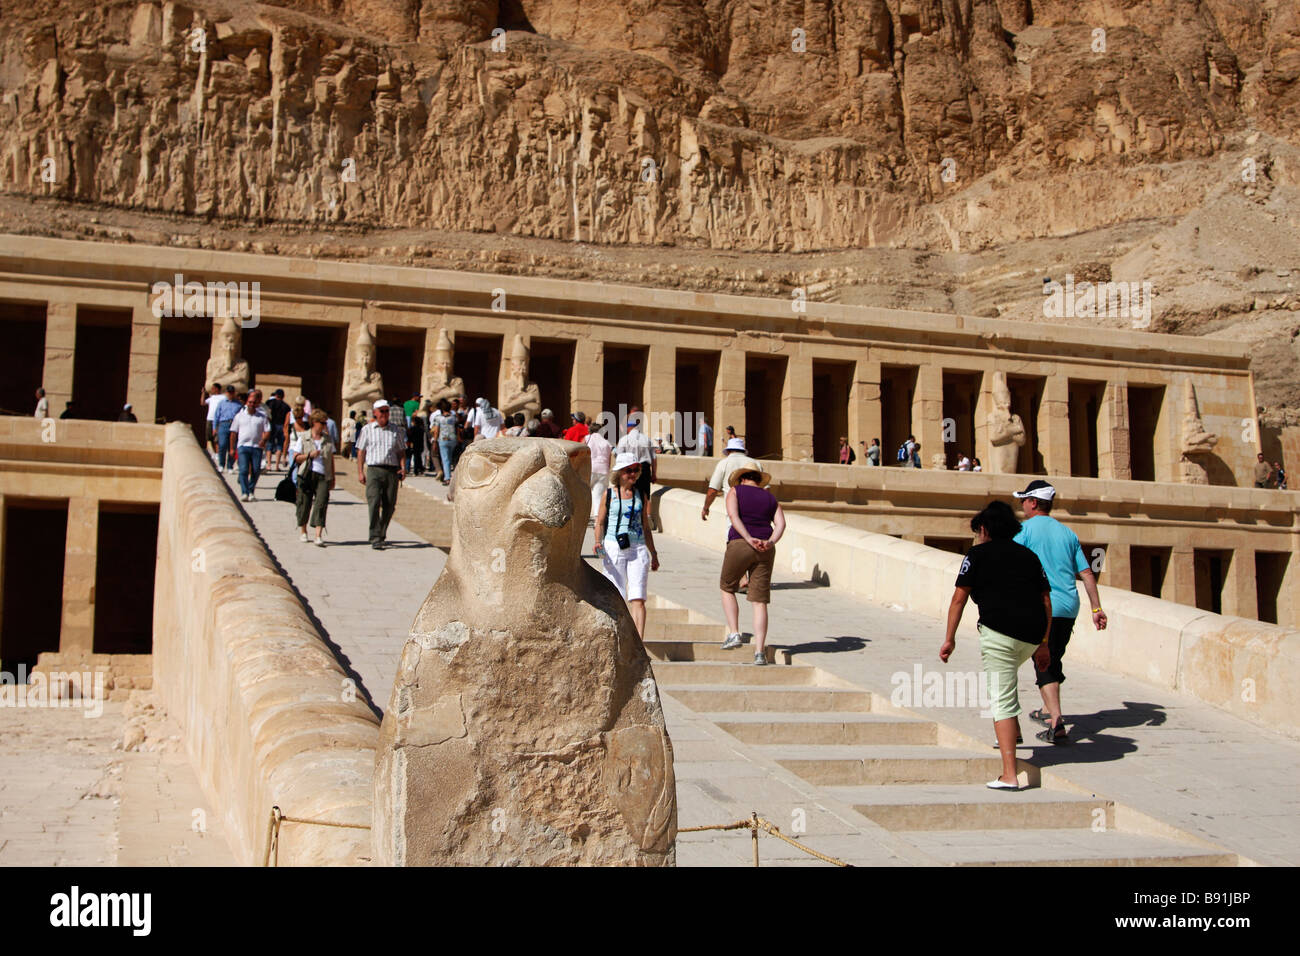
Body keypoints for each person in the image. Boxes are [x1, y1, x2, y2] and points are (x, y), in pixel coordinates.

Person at [940, 500, 1052, 790]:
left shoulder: (976, 555)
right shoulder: (1029, 556)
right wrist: (1043, 644)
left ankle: (1010, 775)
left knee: (1001, 698)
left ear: (985, 529)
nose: (978, 536)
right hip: (1031, 636)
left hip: (999, 635)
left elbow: (958, 599)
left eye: (978, 531)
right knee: (1008, 682)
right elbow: (1045, 601)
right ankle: (1012, 735)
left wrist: (949, 639)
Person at [1012, 480, 1106, 745]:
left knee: (1044, 662)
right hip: (1069, 606)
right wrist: (1096, 608)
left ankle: (1057, 723)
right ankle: (1046, 710)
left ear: (1032, 503)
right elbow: (1087, 574)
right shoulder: (1068, 533)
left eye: (1023, 501)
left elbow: (1011, 561)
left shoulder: (1024, 530)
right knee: (1052, 658)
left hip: (1042, 606)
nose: (1022, 506)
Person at [719, 466, 785, 665]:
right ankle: (759, 653)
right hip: (765, 548)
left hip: (740, 542)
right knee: (760, 601)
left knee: (727, 587)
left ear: (741, 479)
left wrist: (748, 538)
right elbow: (781, 524)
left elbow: (733, 516)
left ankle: (734, 633)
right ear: (758, 480)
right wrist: (770, 542)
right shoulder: (770, 498)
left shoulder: (735, 491)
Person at [594, 453, 659, 635]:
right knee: (617, 594)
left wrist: (653, 553)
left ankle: (639, 642)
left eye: (635, 470)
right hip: (614, 546)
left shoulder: (641, 495)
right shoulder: (608, 495)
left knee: (638, 597)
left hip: (637, 548)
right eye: (628, 470)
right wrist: (598, 542)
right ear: (620, 473)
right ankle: (618, 636)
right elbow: (599, 521)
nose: (632, 474)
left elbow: (646, 528)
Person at [356, 399, 406, 549]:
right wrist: (360, 472)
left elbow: (401, 451)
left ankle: (382, 532)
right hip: (374, 470)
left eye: (386, 411)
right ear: (375, 413)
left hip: (391, 470)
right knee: (374, 502)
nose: (384, 414)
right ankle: (375, 536)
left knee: (389, 504)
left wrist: (403, 467)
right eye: (382, 411)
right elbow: (361, 451)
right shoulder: (367, 429)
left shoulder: (395, 430)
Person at [291, 409, 336, 546]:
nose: (324, 425)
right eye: (322, 423)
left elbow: (331, 459)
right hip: (307, 474)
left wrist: (333, 477)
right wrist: (309, 455)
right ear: (315, 423)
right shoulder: (304, 437)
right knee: (304, 503)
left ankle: (318, 535)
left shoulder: (327, 439)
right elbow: (296, 457)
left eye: (325, 423)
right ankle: (303, 531)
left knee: (321, 503)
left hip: (323, 475)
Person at [702, 438, 761, 521]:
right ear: (743, 451)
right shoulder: (756, 463)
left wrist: (706, 508)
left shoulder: (724, 463)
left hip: (734, 515)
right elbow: (766, 490)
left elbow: (712, 491)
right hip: (756, 515)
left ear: (728, 451)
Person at [230, 389, 270, 501]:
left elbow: (268, 430)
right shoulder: (239, 416)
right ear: (247, 403)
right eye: (250, 402)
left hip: (256, 447)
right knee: (243, 470)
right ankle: (244, 492)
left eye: (254, 402)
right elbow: (233, 432)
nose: (251, 404)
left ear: (257, 404)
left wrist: (264, 440)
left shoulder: (262, 416)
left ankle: (251, 490)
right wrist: (232, 448)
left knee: (256, 470)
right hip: (243, 446)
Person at [616, 408, 657, 503]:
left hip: (630, 469)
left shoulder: (624, 439)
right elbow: (654, 458)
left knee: (631, 493)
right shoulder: (647, 439)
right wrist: (654, 474)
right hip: (646, 470)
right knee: (645, 496)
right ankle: (647, 516)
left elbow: (619, 457)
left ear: (628, 427)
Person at [584, 423, 613, 522]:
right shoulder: (607, 443)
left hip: (590, 469)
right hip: (603, 470)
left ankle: (585, 515)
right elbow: (609, 460)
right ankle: (597, 518)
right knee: (598, 496)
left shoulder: (587, 438)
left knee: (585, 492)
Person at [213, 386, 241, 472]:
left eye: (232, 392)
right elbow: (216, 415)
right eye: (229, 392)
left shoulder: (239, 404)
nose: (230, 394)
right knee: (222, 445)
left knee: (232, 446)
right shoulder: (222, 403)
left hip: (234, 424)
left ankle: (230, 466)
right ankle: (221, 464)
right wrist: (214, 427)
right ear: (226, 393)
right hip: (223, 424)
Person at [431, 399, 458, 484]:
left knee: (445, 459)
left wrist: (435, 441)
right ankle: (449, 475)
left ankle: (447, 478)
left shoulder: (438, 418)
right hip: (453, 439)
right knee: (450, 458)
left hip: (443, 439)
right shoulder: (454, 417)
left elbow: (436, 431)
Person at [264, 389, 290, 472]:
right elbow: (287, 418)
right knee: (279, 446)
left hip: (272, 425)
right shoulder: (286, 406)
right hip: (281, 426)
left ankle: (268, 465)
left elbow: (268, 413)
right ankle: (277, 466)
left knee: (269, 445)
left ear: (275, 395)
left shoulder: (270, 403)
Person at [202, 383, 224, 457]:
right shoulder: (211, 398)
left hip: (218, 420)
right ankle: (214, 453)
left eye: (213, 388)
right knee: (209, 437)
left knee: (216, 438)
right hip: (209, 419)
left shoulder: (223, 397)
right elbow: (202, 403)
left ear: (217, 389)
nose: (212, 390)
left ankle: (218, 454)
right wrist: (203, 393)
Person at [406, 408, 427, 475]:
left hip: (413, 444)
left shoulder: (412, 429)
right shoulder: (421, 429)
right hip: (420, 444)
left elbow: (410, 436)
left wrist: (409, 442)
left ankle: (411, 469)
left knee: (411, 457)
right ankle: (418, 469)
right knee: (418, 457)